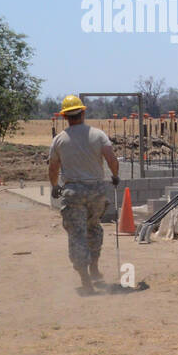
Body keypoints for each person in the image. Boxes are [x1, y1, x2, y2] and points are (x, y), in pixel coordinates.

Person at [47, 94, 119, 292]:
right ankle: (94, 266)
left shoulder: (59, 140)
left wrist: (54, 186)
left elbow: (53, 168)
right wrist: (115, 175)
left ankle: (85, 277)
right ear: (83, 112)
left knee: (77, 234)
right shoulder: (98, 135)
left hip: (74, 193)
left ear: (64, 117)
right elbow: (111, 158)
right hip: (97, 191)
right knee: (94, 228)